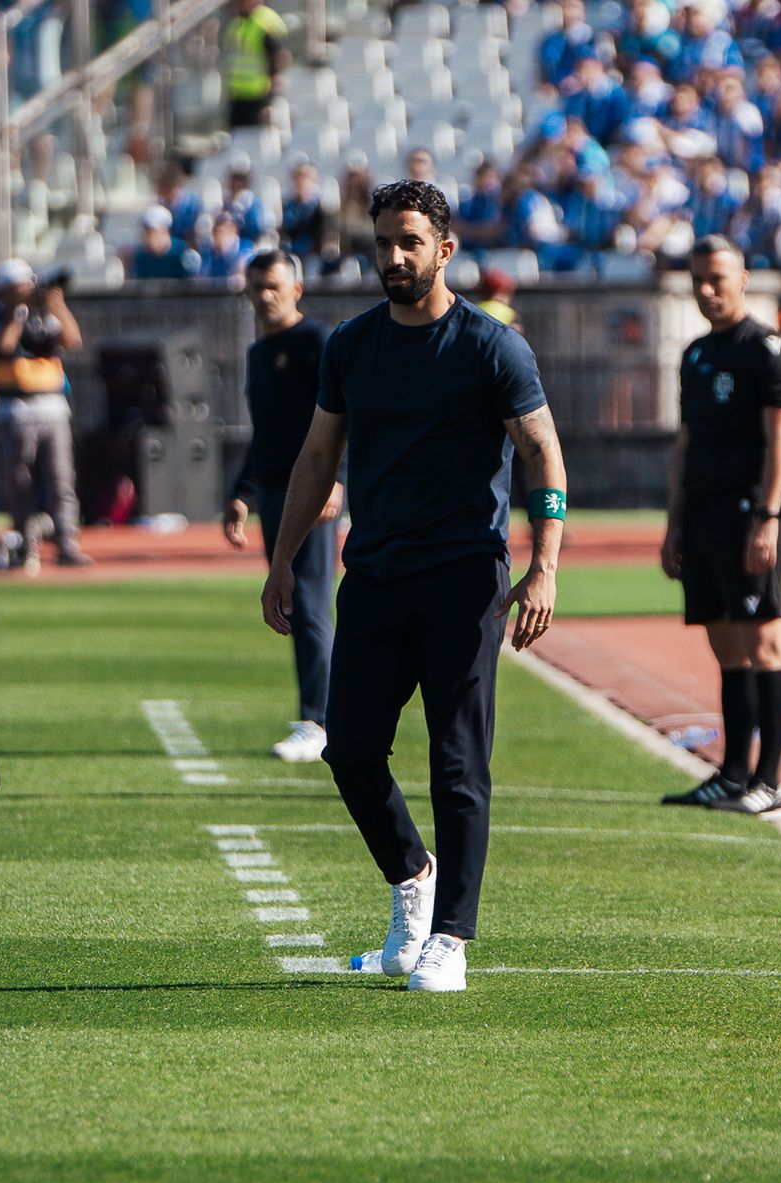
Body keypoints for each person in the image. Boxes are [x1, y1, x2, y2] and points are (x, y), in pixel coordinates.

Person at [260, 181, 568, 994]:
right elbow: (317, 459)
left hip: (464, 582)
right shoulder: (353, 346)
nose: (394, 259)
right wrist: (284, 558)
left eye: (410, 244)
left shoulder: (490, 347)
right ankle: (411, 878)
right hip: (374, 576)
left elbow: (542, 451)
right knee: (349, 747)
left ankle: (451, 939)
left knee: (457, 763)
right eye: (384, 245)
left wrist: (546, 564)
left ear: (444, 249)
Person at [660, 236, 781, 815]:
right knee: (725, 647)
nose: (707, 290)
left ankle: (768, 780)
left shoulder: (764, 349)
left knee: (765, 640)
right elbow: (685, 444)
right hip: (703, 514)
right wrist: (673, 525)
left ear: (744, 278)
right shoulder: (695, 354)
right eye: (698, 279)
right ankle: (733, 772)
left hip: (748, 513)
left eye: (717, 278)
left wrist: (767, 515)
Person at [223, 250, 340, 764]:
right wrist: (242, 493)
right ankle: (316, 715)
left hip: (310, 491)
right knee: (291, 601)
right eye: (256, 287)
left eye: (273, 285)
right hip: (274, 491)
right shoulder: (258, 353)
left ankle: (321, 720)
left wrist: (337, 478)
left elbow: (345, 414)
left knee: (311, 601)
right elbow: (266, 432)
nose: (264, 296)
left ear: (296, 289)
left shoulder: (316, 342)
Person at [0, 258, 91, 572]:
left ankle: (67, 543)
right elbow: (2, 346)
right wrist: (18, 314)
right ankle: (23, 544)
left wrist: (57, 306)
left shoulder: (45, 316)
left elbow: (73, 341)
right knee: (20, 482)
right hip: (15, 410)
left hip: (53, 407)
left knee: (61, 480)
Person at [222, 0, 288, 129]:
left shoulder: (264, 22)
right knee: (238, 137)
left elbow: (278, 57)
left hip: (259, 94)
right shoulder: (237, 21)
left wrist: (273, 93)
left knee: (255, 138)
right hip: (237, 94)